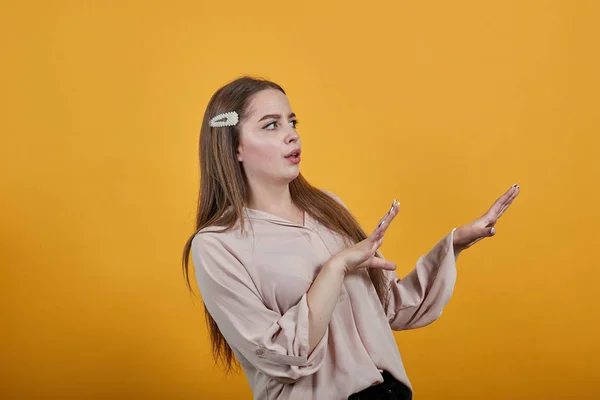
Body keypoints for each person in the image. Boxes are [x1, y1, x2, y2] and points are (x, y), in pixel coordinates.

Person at [181, 76, 520, 400]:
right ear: (235, 147)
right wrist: (335, 268)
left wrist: (455, 243)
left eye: (292, 122)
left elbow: (391, 307)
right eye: (272, 125)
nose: (292, 136)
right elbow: (281, 354)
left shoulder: (328, 209)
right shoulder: (217, 245)